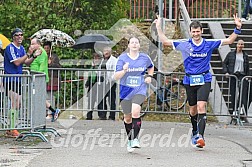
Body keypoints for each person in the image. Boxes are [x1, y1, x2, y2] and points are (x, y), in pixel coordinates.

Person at [155, 14, 242, 148]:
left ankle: (200, 137)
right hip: (190, 80)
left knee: (202, 107)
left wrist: (238, 28)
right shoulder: (184, 44)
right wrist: (158, 27)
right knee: (193, 110)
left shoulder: (208, 43)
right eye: (193, 31)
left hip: (204, 79)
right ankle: (195, 130)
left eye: (198, 31)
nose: (195, 34)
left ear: (202, 31)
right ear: (190, 32)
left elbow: (229, 41)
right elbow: (165, 41)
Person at [114, 36, 154, 152]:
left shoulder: (144, 58)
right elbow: (116, 76)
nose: (134, 44)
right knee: (127, 117)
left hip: (139, 89)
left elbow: (151, 67)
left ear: (139, 45)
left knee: (136, 111)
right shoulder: (122, 58)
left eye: (136, 42)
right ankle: (130, 140)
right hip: (125, 91)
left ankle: (135, 139)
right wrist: (124, 71)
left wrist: (149, 76)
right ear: (129, 45)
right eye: (132, 42)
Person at [3, 28, 40, 137]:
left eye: (21, 35)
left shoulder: (22, 48)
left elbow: (26, 62)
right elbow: (17, 62)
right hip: (10, 79)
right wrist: (29, 53)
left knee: (18, 104)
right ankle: (12, 128)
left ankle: (11, 127)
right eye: (17, 35)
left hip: (18, 79)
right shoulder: (10, 48)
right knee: (15, 102)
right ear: (13, 37)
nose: (20, 37)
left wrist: (33, 56)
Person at [29, 38, 60, 122]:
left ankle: (47, 113)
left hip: (40, 78)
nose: (30, 46)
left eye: (32, 44)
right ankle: (53, 111)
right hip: (37, 77)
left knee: (41, 97)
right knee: (40, 97)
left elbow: (42, 67)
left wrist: (37, 77)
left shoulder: (43, 53)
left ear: (38, 44)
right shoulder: (37, 52)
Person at [223, 39, 250, 117]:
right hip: (233, 75)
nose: (240, 46)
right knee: (233, 92)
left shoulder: (245, 55)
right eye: (239, 44)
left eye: (242, 44)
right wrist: (226, 72)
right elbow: (225, 63)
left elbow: (247, 67)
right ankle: (234, 109)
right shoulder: (231, 54)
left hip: (242, 75)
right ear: (236, 45)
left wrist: (247, 76)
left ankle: (240, 107)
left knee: (243, 92)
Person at [98, 46, 118, 120]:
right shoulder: (102, 60)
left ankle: (112, 116)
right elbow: (99, 69)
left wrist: (111, 79)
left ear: (110, 52)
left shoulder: (114, 60)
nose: (106, 52)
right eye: (104, 51)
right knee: (101, 99)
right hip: (102, 81)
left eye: (107, 51)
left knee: (111, 99)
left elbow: (115, 70)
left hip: (110, 82)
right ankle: (102, 115)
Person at [43, 42, 62, 119]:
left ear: (50, 48)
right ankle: (46, 112)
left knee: (50, 96)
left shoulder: (54, 56)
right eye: (45, 48)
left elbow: (58, 66)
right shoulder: (42, 56)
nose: (46, 50)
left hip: (52, 79)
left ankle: (51, 113)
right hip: (45, 78)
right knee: (45, 96)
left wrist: (51, 64)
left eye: (47, 48)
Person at [85, 52, 102, 120]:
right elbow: (90, 75)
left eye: (97, 58)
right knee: (90, 100)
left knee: (99, 100)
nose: (96, 60)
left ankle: (101, 115)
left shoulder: (101, 66)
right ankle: (89, 115)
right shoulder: (92, 67)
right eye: (95, 58)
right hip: (92, 84)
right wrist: (87, 83)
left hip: (99, 84)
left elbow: (100, 74)